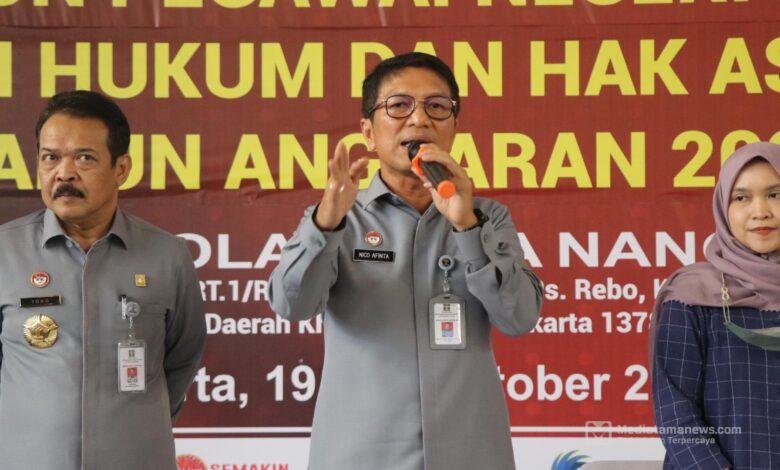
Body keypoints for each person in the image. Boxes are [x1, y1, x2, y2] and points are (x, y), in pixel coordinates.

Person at [269, 52, 543, 469]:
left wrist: (467, 228)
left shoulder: (487, 217)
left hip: (469, 455)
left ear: (454, 126)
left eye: (437, 106)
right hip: (361, 457)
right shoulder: (339, 216)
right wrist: (325, 226)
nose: (419, 119)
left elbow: (519, 317)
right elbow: (292, 306)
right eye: (399, 106)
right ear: (368, 131)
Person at [0, 90, 207, 469]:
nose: (64, 173)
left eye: (84, 157)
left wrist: (133, 424)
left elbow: (182, 358)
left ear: (121, 169)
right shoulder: (5, 252)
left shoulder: (168, 255)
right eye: (50, 157)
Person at [651, 141, 780, 469]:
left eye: (775, 194)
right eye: (741, 198)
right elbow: (675, 412)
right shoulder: (691, 295)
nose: (760, 211)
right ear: (723, 207)